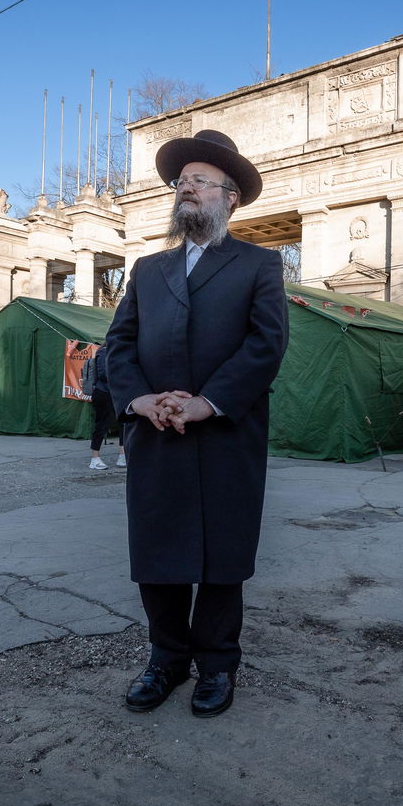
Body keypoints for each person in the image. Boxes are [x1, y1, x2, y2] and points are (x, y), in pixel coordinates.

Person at [104, 129, 288, 718]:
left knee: (220, 556)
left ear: (230, 197)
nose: (186, 189)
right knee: (158, 551)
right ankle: (166, 659)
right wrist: (141, 401)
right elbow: (119, 344)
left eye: (200, 181)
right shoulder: (147, 269)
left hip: (225, 433)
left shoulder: (259, 264)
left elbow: (266, 344)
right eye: (181, 182)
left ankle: (216, 664)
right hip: (155, 433)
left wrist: (207, 402)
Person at [86, 346, 125, 470]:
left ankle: (122, 456)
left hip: (116, 393)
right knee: (102, 425)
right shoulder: (104, 351)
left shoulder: (117, 349)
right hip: (104, 393)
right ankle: (94, 458)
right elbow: (104, 374)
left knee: (124, 423)